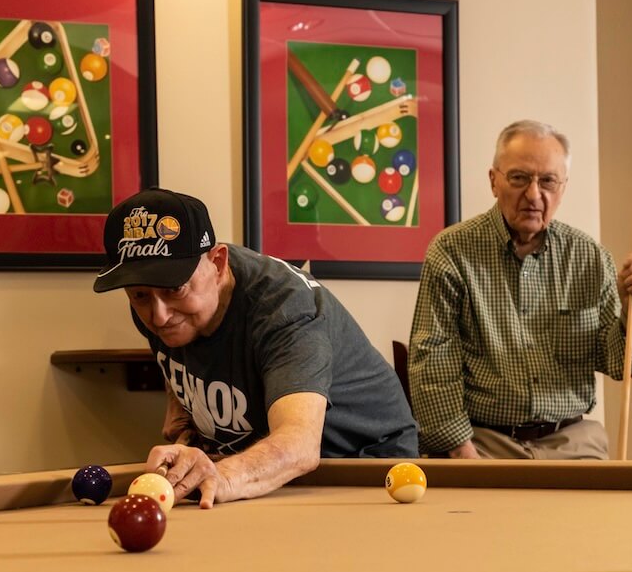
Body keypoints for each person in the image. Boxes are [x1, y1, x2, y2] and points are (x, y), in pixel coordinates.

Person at [93, 188, 417, 507]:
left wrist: (222, 476)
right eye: (139, 295)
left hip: (367, 469)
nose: (159, 315)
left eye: (175, 289)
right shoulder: (159, 308)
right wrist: (182, 404)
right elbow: (175, 348)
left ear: (217, 263)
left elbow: (299, 445)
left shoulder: (285, 308)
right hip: (265, 470)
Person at [408, 119, 632, 460]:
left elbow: (619, 363)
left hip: (572, 441)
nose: (533, 194)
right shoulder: (452, 251)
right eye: (519, 178)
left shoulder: (589, 257)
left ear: (563, 188)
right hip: (482, 441)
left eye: (547, 181)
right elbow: (432, 361)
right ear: (494, 181)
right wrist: (463, 452)